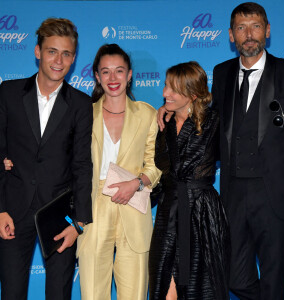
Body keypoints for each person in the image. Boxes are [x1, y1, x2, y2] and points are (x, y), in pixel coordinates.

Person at [158, 3, 284, 300]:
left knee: (275, 280)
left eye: (256, 26)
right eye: (241, 28)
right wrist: (170, 107)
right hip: (232, 196)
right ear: (231, 35)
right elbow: (204, 116)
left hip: (277, 197)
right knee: (233, 278)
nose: (249, 34)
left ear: (268, 31)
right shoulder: (221, 73)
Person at [0, 18, 93, 300]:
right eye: (52, 51)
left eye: (66, 53)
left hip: (59, 214)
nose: (59, 60)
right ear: (38, 51)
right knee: (12, 293)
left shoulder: (81, 103)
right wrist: (0, 208)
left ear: (74, 58)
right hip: (12, 212)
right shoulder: (8, 93)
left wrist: (78, 222)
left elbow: (82, 165)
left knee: (58, 294)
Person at [76, 43, 161, 300]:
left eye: (119, 71)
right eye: (106, 72)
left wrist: (136, 183)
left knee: (135, 293)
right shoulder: (84, 114)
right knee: (92, 292)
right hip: (93, 209)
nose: (113, 78)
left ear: (130, 74)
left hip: (133, 206)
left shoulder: (147, 114)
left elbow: (155, 164)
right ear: (97, 76)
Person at [150, 61, 230, 300]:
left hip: (202, 215)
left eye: (173, 90)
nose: (165, 93)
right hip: (168, 214)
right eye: (166, 86)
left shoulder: (215, 122)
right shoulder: (163, 125)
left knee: (202, 289)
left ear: (193, 94)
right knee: (163, 286)